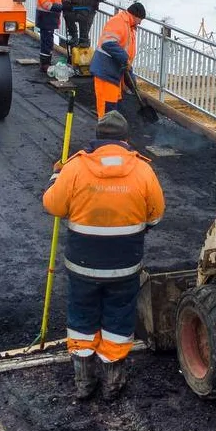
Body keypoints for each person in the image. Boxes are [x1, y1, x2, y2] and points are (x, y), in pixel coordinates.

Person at [42, 111, 165, 400]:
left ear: (97, 138)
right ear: (125, 139)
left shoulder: (74, 168)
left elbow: (53, 206)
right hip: (124, 265)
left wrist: (56, 175)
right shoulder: (142, 170)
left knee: (82, 315)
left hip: (82, 265)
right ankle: (113, 382)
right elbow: (156, 216)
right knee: (119, 318)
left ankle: (84, 381)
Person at [90, 2, 146, 118]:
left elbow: (125, 58)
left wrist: (132, 82)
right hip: (105, 72)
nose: (140, 23)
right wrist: (125, 59)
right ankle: (107, 133)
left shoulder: (129, 27)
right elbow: (108, 43)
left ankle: (113, 133)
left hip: (114, 73)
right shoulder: (119, 22)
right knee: (107, 108)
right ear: (135, 15)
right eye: (140, 19)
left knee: (114, 107)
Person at [36, 0, 72, 72]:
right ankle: (45, 64)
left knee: (48, 40)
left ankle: (46, 61)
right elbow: (46, 4)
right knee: (47, 41)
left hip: (50, 18)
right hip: (45, 18)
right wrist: (61, 7)